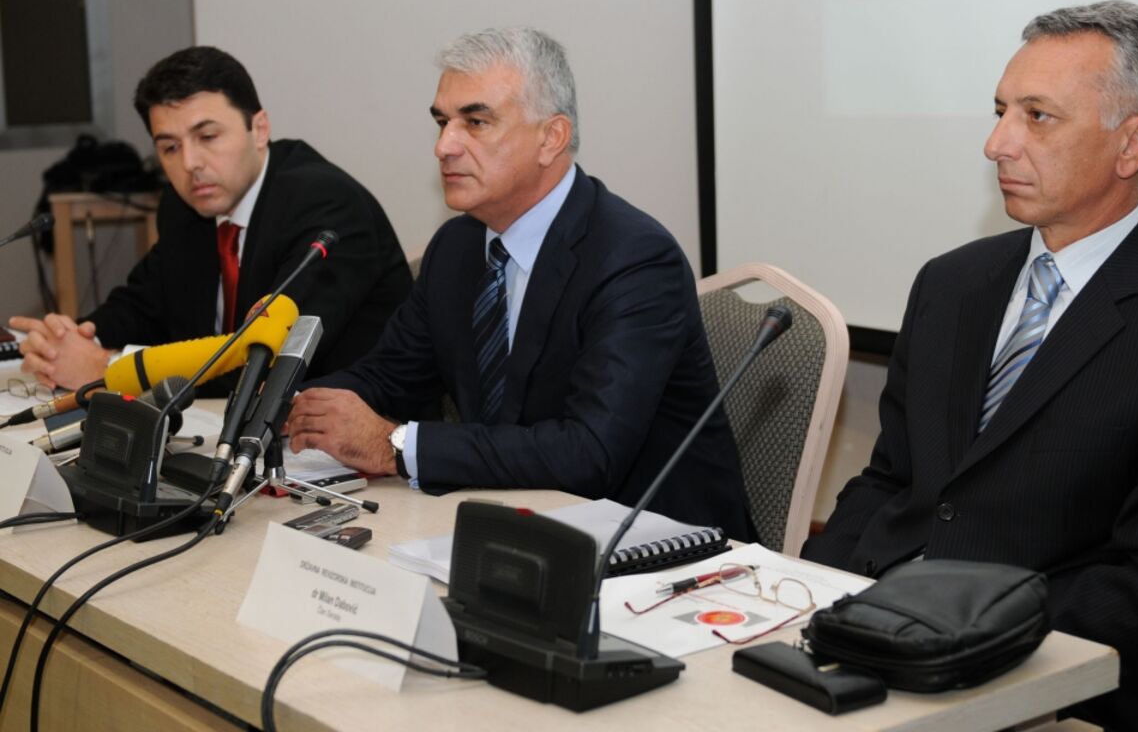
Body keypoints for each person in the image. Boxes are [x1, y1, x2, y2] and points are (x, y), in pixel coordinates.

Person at [801, 0, 1138, 730]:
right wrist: (813, 597)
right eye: (1000, 112)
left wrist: (954, 629)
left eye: (1037, 117)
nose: (996, 144)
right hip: (867, 642)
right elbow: (890, 481)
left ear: (1134, 143)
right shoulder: (952, 283)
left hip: (1043, 684)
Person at [286, 27, 751, 539]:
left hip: (655, 544)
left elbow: (589, 452)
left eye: (476, 122)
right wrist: (289, 405)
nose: (444, 146)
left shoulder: (635, 258)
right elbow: (391, 376)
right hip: (509, 523)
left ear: (551, 137)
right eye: (442, 122)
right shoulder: (456, 248)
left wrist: (394, 445)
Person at [11, 46, 410, 392]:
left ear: (259, 129)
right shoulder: (184, 207)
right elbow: (144, 304)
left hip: (357, 434)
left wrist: (109, 368)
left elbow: (266, 358)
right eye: (170, 147)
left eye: (207, 137)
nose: (190, 163)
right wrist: (71, 341)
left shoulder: (327, 205)